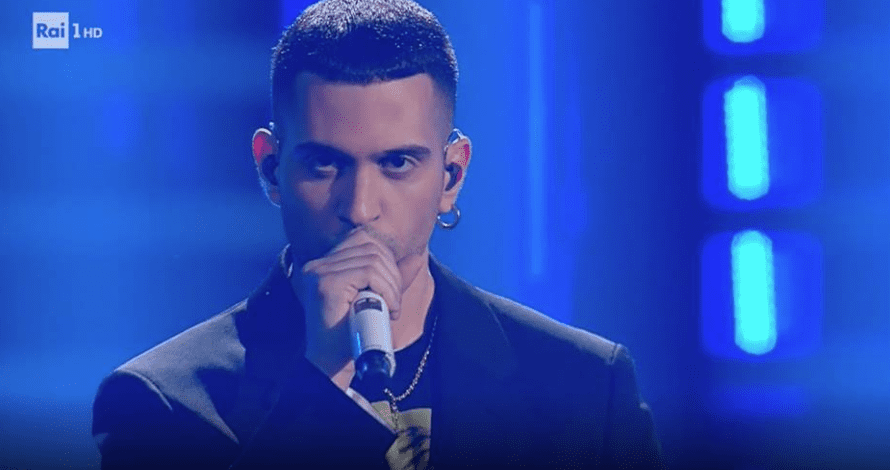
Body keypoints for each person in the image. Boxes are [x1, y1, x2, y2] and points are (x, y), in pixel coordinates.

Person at [90, 0, 665, 468]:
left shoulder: (585, 388)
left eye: (397, 163)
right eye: (325, 164)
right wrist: (321, 380)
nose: (361, 208)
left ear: (451, 176)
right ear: (271, 168)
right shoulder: (164, 402)